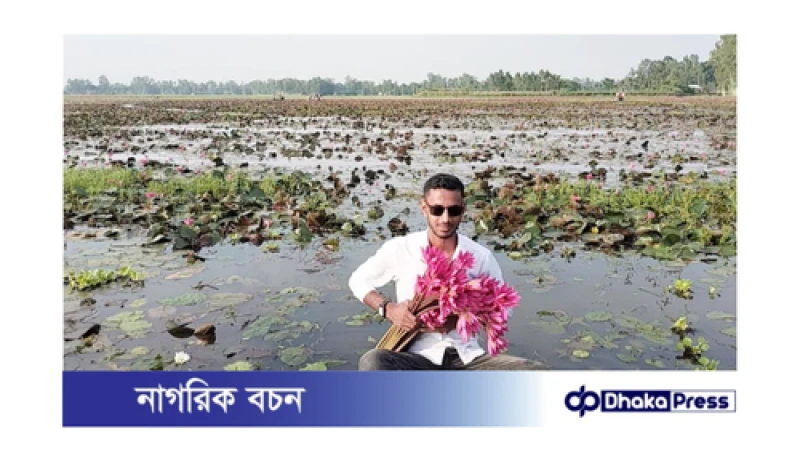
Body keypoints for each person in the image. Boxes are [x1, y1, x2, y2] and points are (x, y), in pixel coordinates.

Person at [348, 173, 545, 370]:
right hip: (415, 356)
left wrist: (466, 315)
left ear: (463, 210)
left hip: (467, 358)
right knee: (372, 361)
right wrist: (389, 309)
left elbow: (504, 306)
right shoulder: (402, 248)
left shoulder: (480, 256)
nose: (445, 219)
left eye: (453, 211)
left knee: (536, 372)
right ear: (424, 208)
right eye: (437, 210)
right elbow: (358, 281)